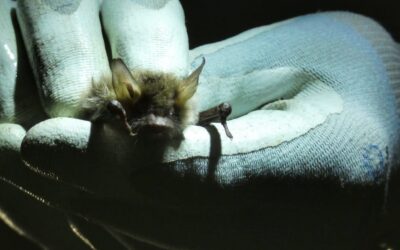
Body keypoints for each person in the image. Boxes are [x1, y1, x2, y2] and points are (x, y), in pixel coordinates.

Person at [1, 0, 399, 249]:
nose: (156, 122)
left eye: (166, 115)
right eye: (147, 114)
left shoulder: (191, 107)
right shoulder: (119, 103)